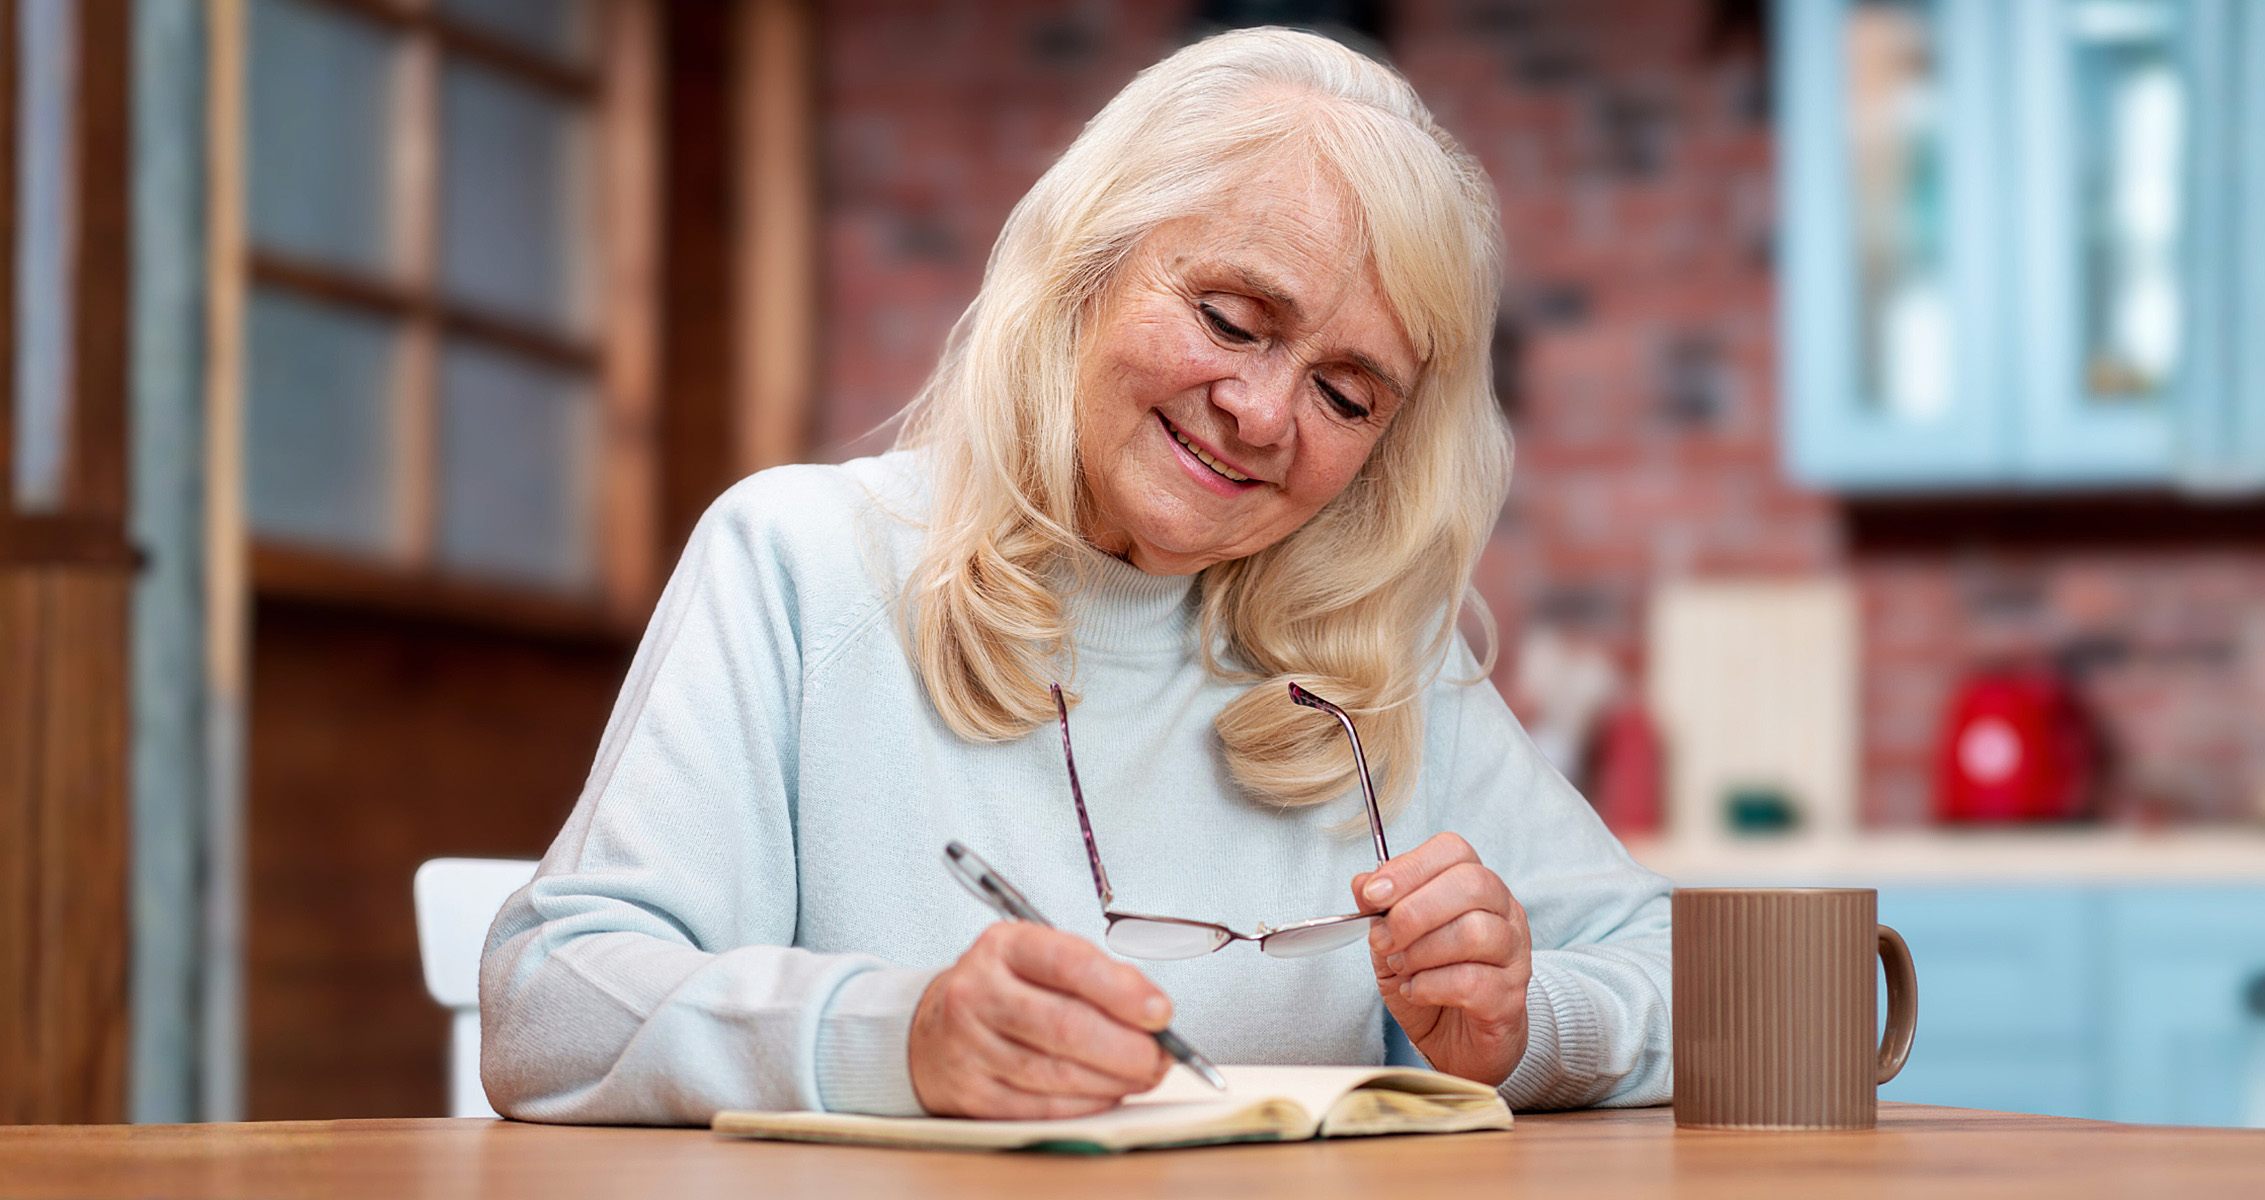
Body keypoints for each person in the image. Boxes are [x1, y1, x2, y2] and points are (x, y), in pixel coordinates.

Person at [479, 26, 1670, 1124]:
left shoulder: (1384, 656)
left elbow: (1675, 975)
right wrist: (897, 1042)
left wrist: (1522, 1026)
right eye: (1231, 318)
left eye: (1346, 394)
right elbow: (551, 1001)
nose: (1261, 414)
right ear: (1088, 266)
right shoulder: (799, 562)